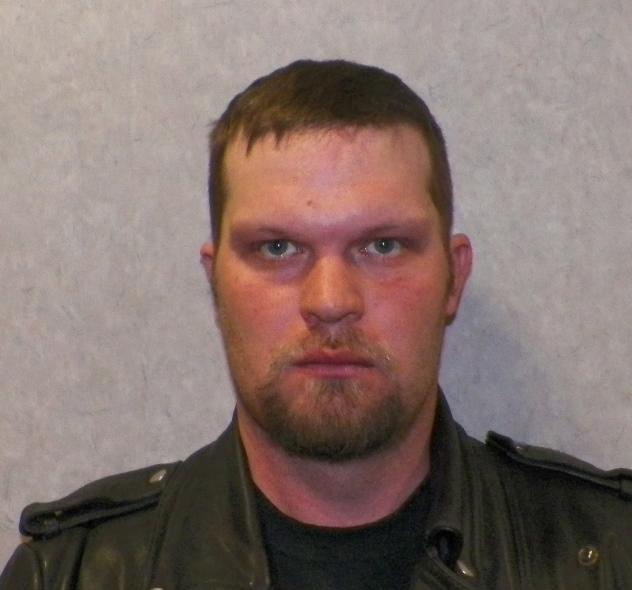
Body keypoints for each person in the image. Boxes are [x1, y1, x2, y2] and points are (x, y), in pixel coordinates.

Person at [1, 59, 631, 590]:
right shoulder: (68, 574)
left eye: (382, 246)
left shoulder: (612, 556)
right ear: (216, 283)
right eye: (278, 248)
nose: (330, 301)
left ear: (452, 279)